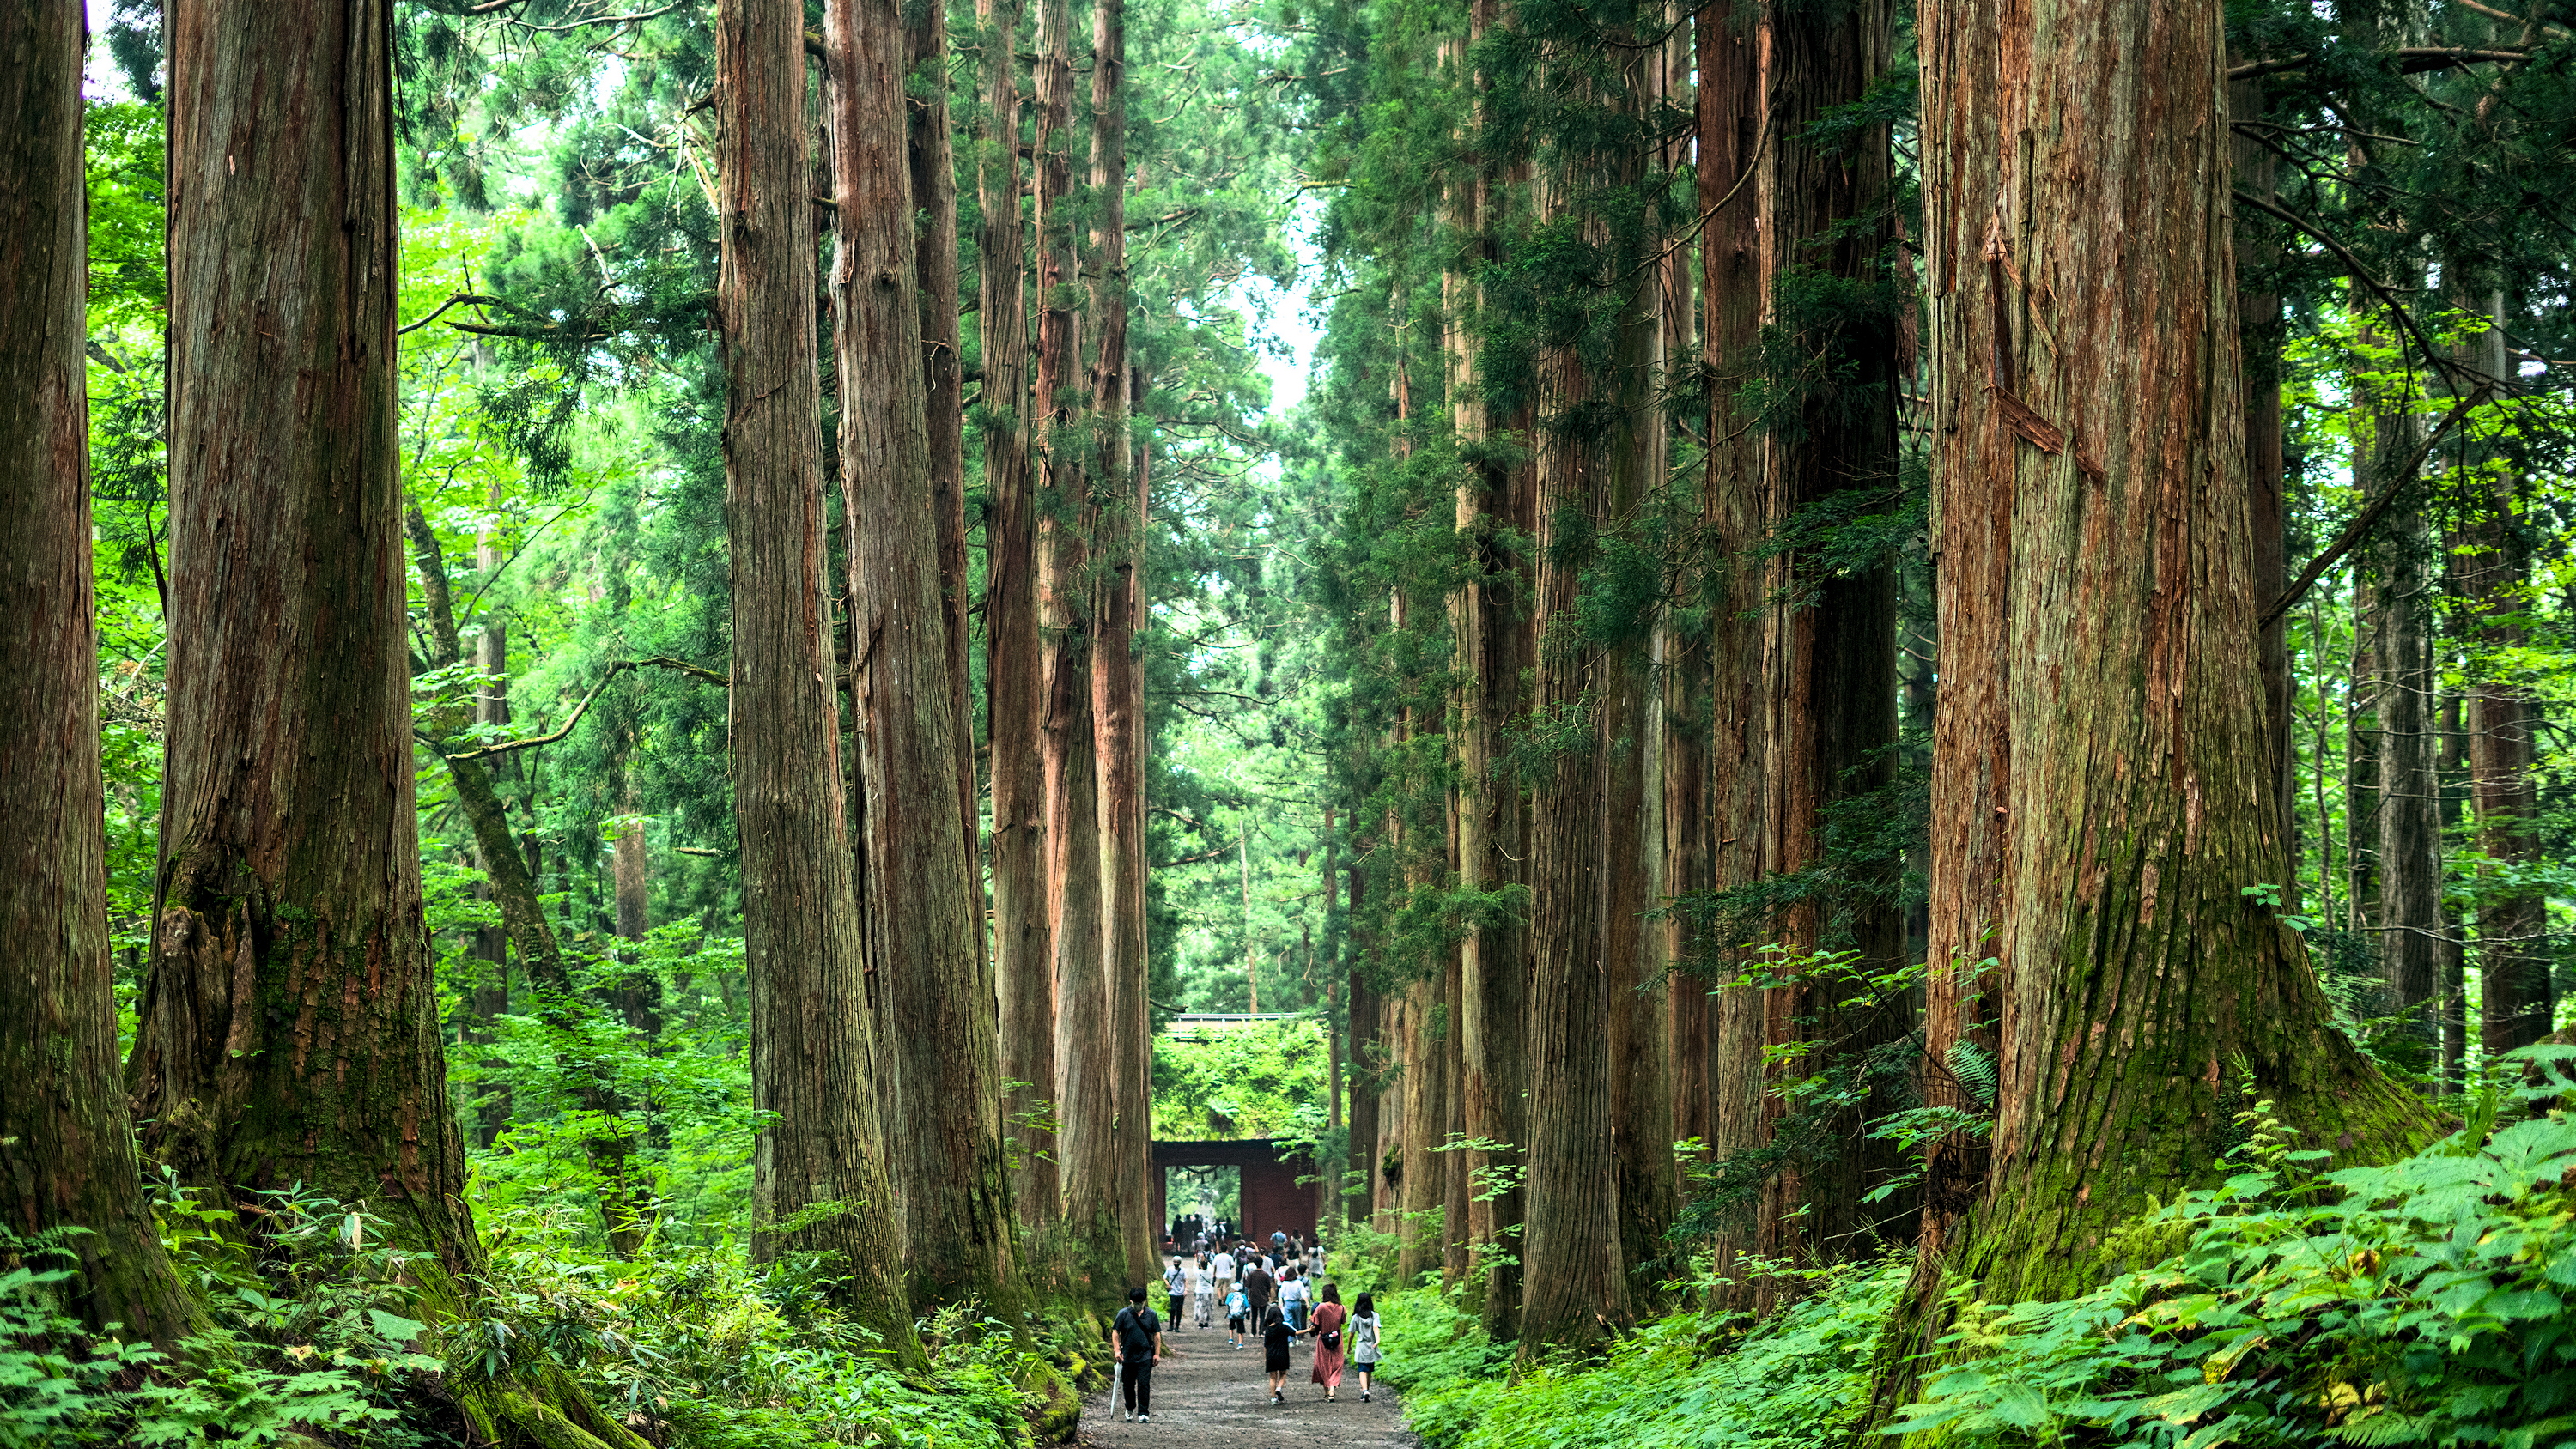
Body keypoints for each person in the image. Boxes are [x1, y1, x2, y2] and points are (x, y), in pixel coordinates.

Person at [1109, 1285, 1166, 1423]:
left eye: (1140, 1303)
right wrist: (1117, 1350)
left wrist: (1156, 1354)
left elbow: (1156, 1334)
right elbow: (1115, 1332)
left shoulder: (1151, 1315)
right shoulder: (1123, 1314)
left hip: (1145, 1355)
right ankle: (1130, 1408)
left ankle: (1143, 1412)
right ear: (1130, 1301)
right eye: (1135, 1303)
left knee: (1143, 1384)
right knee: (1128, 1385)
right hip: (1127, 1356)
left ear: (1144, 1302)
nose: (1138, 1306)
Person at [1306, 1281, 1348, 1403]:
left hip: (1323, 1339)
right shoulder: (1342, 1308)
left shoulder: (1321, 1307)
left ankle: (1327, 1392)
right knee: (1337, 1365)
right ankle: (1331, 1390)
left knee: (1323, 1365)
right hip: (1337, 1339)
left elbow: (1316, 1324)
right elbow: (1343, 1321)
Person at [1348, 1292, 1382, 1404]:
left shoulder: (1356, 1317)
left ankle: (1365, 1390)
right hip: (1372, 1346)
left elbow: (1351, 1333)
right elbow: (1375, 1327)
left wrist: (1349, 1346)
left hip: (1361, 1346)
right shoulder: (1374, 1315)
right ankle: (1367, 1391)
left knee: (1362, 1369)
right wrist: (1377, 1340)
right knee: (1369, 1370)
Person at [1261, 1302, 1294, 1405]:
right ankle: (1279, 1388)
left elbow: (1266, 1346)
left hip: (1271, 1355)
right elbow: (1296, 1333)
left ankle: (1273, 1398)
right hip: (1283, 1354)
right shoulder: (1284, 1327)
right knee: (1283, 1374)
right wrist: (1309, 1330)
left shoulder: (1268, 1330)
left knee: (1272, 1377)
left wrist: (1266, 1357)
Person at [1242, 1253, 1276, 1333]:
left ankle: (1253, 1332)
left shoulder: (1251, 1274)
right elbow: (1268, 1287)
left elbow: (1248, 1286)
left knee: (1254, 1316)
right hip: (1263, 1297)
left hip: (1253, 1297)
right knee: (1262, 1316)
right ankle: (1261, 1332)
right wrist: (1269, 1296)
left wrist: (1248, 1297)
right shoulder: (1265, 1275)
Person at [1279, 1265, 1309, 1332]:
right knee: (1298, 1320)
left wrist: (1280, 1303)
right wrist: (1307, 1303)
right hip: (1297, 1303)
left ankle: (1290, 1339)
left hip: (1288, 1303)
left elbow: (1281, 1294)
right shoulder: (1299, 1283)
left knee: (1288, 1322)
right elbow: (1304, 1294)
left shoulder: (1285, 1283)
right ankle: (1298, 1338)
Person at [1164, 1257, 1188, 1332]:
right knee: (1173, 1309)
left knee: (1179, 1309)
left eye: (1177, 1262)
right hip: (1172, 1292)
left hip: (1180, 1293)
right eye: (1175, 1262)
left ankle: (1177, 1325)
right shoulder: (1169, 1269)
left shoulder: (1183, 1271)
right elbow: (1164, 1277)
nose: (1176, 1263)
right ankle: (1171, 1325)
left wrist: (1185, 1290)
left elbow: (1185, 1280)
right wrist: (1167, 1284)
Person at [1225, 1281, 1251, 1349]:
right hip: (1241, 1316)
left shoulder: (1231, 1295)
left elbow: (1227, 1302)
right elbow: (1247, 1305)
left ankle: (1231, 1338)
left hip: (1232, 1314)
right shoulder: (1243, 1296)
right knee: (1240, 1329)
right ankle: (1240, 1343)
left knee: (1231, 1326)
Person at [1194, 1252, 1215, 1329]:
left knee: (1200, 1307)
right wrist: (1205, 1259)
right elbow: (1209, 1265)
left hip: (1200, 1291)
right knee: (1207, 1307)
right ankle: (1206, 1322)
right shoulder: (1210, 1271)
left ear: (1201, 1266)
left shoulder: (1198, 1272)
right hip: (1209, 1291)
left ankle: (1200, 1322)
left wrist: (1196, 1258)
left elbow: (1194, 1266)